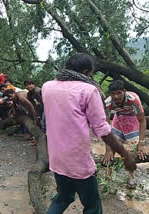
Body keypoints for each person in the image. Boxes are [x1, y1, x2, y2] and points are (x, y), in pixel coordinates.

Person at [42, 53, 137, 213]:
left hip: (56, 156)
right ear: (86, 72)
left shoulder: (47, 87)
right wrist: (125, 154)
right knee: (92, 206)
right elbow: (102, 130)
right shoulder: (88, 90)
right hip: (78, 159)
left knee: (63, 198)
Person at [103, 80, 148, 164]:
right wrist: (108, 149)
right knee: (112, 147)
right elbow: (106, 126)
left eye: (119, 93)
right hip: (119, 117)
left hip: (133, 117)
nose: (116, 96)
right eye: (113, 93)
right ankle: (107, 176)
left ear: (124, 92)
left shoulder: (133, 99)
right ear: (110, 94)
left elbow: (142, 120)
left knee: (136, 148)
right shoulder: (107, 103)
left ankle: (131, 175)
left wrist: (141, 143)